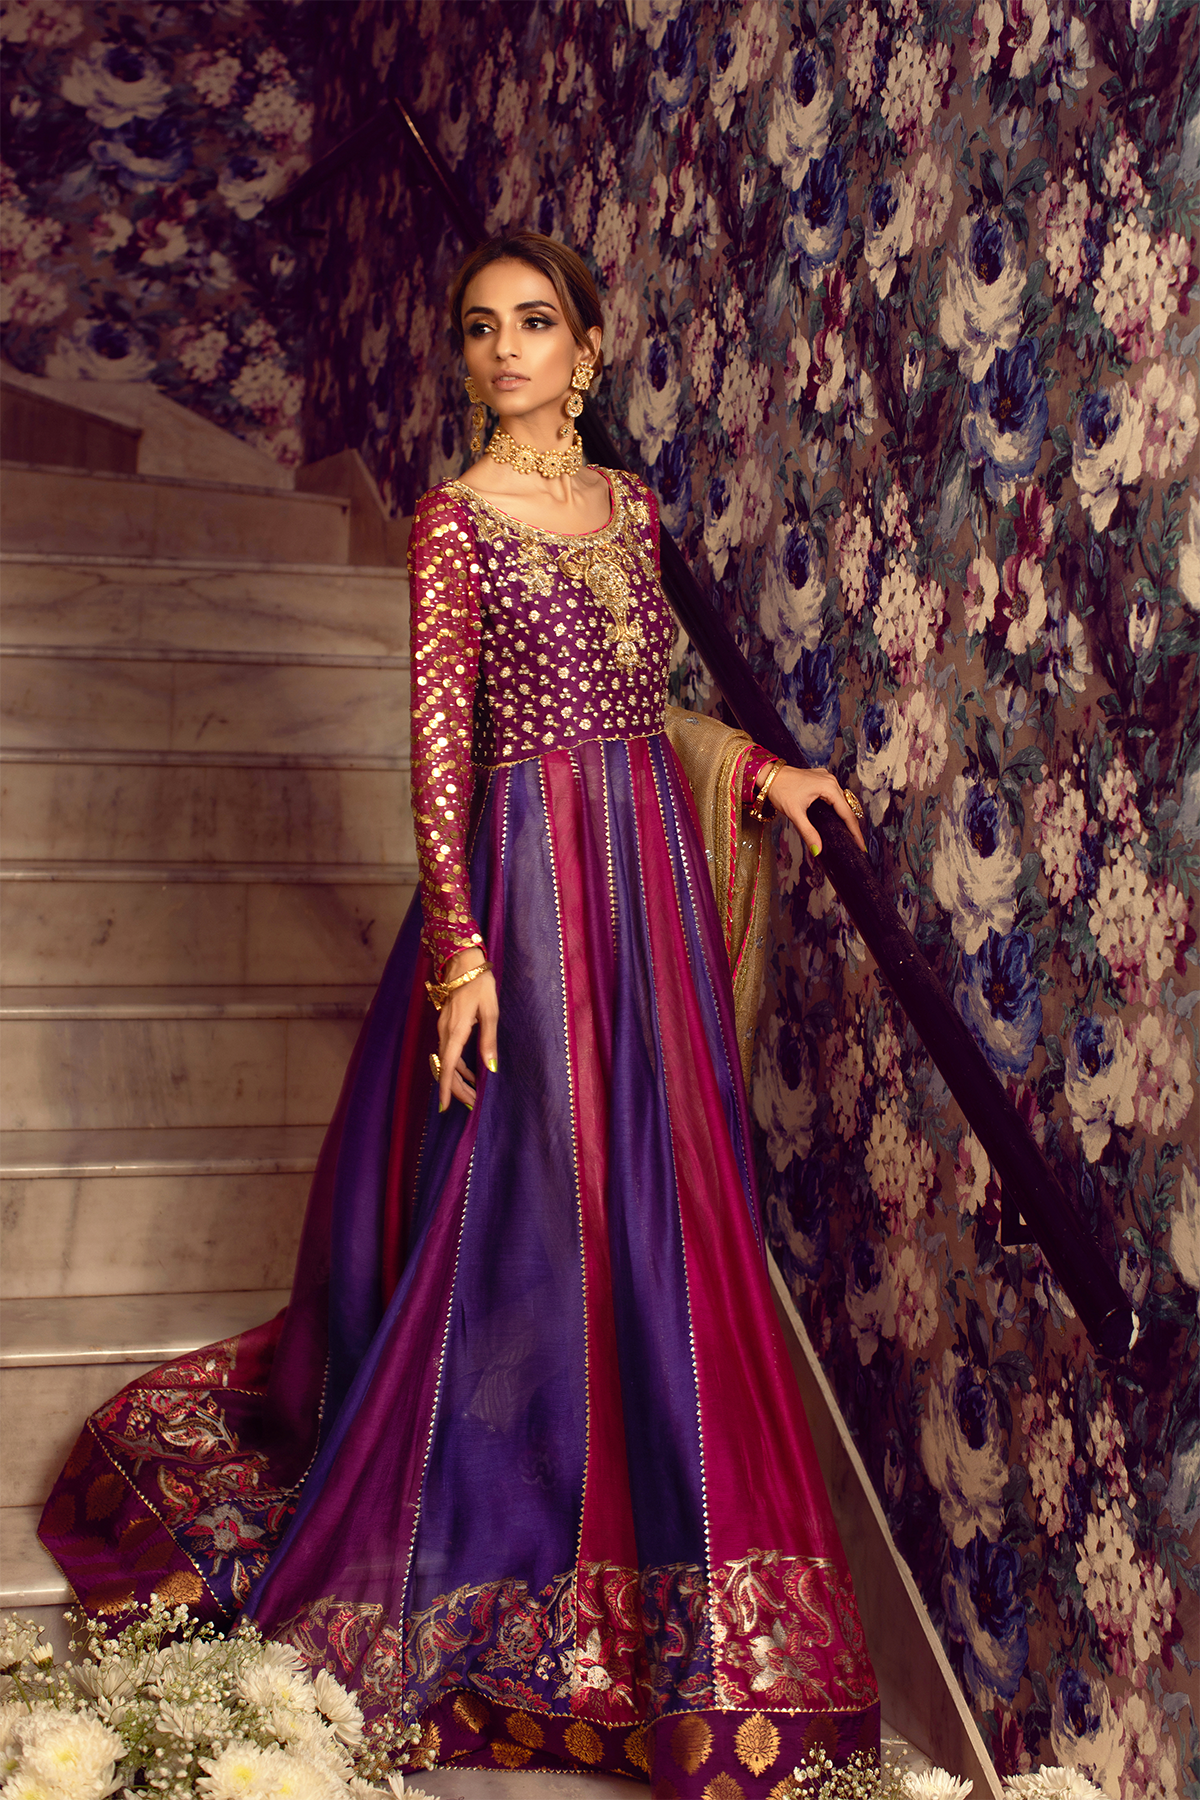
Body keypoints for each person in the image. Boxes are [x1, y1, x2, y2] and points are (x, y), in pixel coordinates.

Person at [39, 233, 879, 1796]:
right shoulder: (452, 522)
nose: (504, 350)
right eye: (481, 328)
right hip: (529, 886)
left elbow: (648, 702)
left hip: (645, 881)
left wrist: (767, 774)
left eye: (534, 322)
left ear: (589, 348)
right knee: (537, 1195)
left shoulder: (632, 511)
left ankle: (656, 1525)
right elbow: (439, 753)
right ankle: (508, 1508)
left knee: (657, 1199)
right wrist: (463, 958)